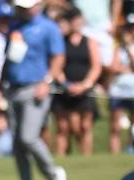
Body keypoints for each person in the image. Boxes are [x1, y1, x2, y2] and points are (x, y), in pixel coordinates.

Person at [3, 0, 67, 180]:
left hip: (36, 88)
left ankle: (53, 173)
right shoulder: (15, 26)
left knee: (28, 137)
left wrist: (47, 81)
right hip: (13, 88)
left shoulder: (48, 27)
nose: (22, 9)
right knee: (17, 143)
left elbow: (58, 57)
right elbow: (10, 58)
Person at [52, 7, 101, 155]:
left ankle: (86, 158)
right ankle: (62, 159)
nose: (76, 23)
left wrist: (85, 85)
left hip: (84, 90)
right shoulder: (61, 42)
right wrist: (66, 84)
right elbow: (56, 65)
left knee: (85, 126)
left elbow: (96, 66)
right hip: (65, 89)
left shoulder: (90, 42)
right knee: (64, 127)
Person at [107, 14, 134, 154]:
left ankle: (132, 151)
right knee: (115, 126)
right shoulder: (118, 47)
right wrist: (127, 69)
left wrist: (129, 47)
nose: (132, 31)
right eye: (129, 28)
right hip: (118, 90)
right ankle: (114, 154)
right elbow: (113, 67)